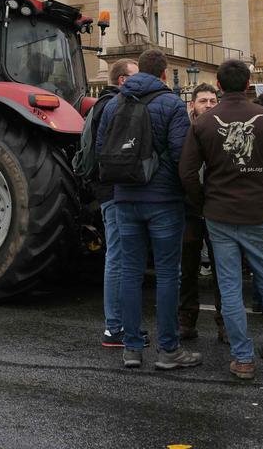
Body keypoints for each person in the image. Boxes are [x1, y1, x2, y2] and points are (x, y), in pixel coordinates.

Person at [180, 58, 263, 380]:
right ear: (249, 83)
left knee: (230, 286)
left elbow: (187, 172)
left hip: (219, 215)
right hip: (259, 212)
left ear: (218, 86)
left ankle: (243, 359)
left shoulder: (203, 123)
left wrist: (203, 202)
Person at [95, 49, 199, 370]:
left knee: (130, 271)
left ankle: (132, 348)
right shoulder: (171, 104)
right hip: (164, 201)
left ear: (138, 71)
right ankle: (168, 349)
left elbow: (102, 150)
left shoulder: (114, 104)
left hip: (125, 197)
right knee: (168, 273)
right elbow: (184, 155)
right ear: (165, 74)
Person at [89, 58, 138, 347]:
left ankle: (120, 325)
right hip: (114, 192)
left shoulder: (101, 106)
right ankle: (115, 328)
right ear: (122, 81)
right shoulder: (113, 107)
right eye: (135, 76)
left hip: (108, 190)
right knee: (118, 258)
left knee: (119, 257)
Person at [179, 82, 225, 343]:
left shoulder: (222, 127)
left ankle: (224, 323)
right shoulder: (184, 128)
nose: (208, 105)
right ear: (192, 104)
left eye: (212, 101)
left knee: (222, 269)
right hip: (189, 208)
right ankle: (186, 321)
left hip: (216, 207)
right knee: (187, 268)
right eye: (203, 101)